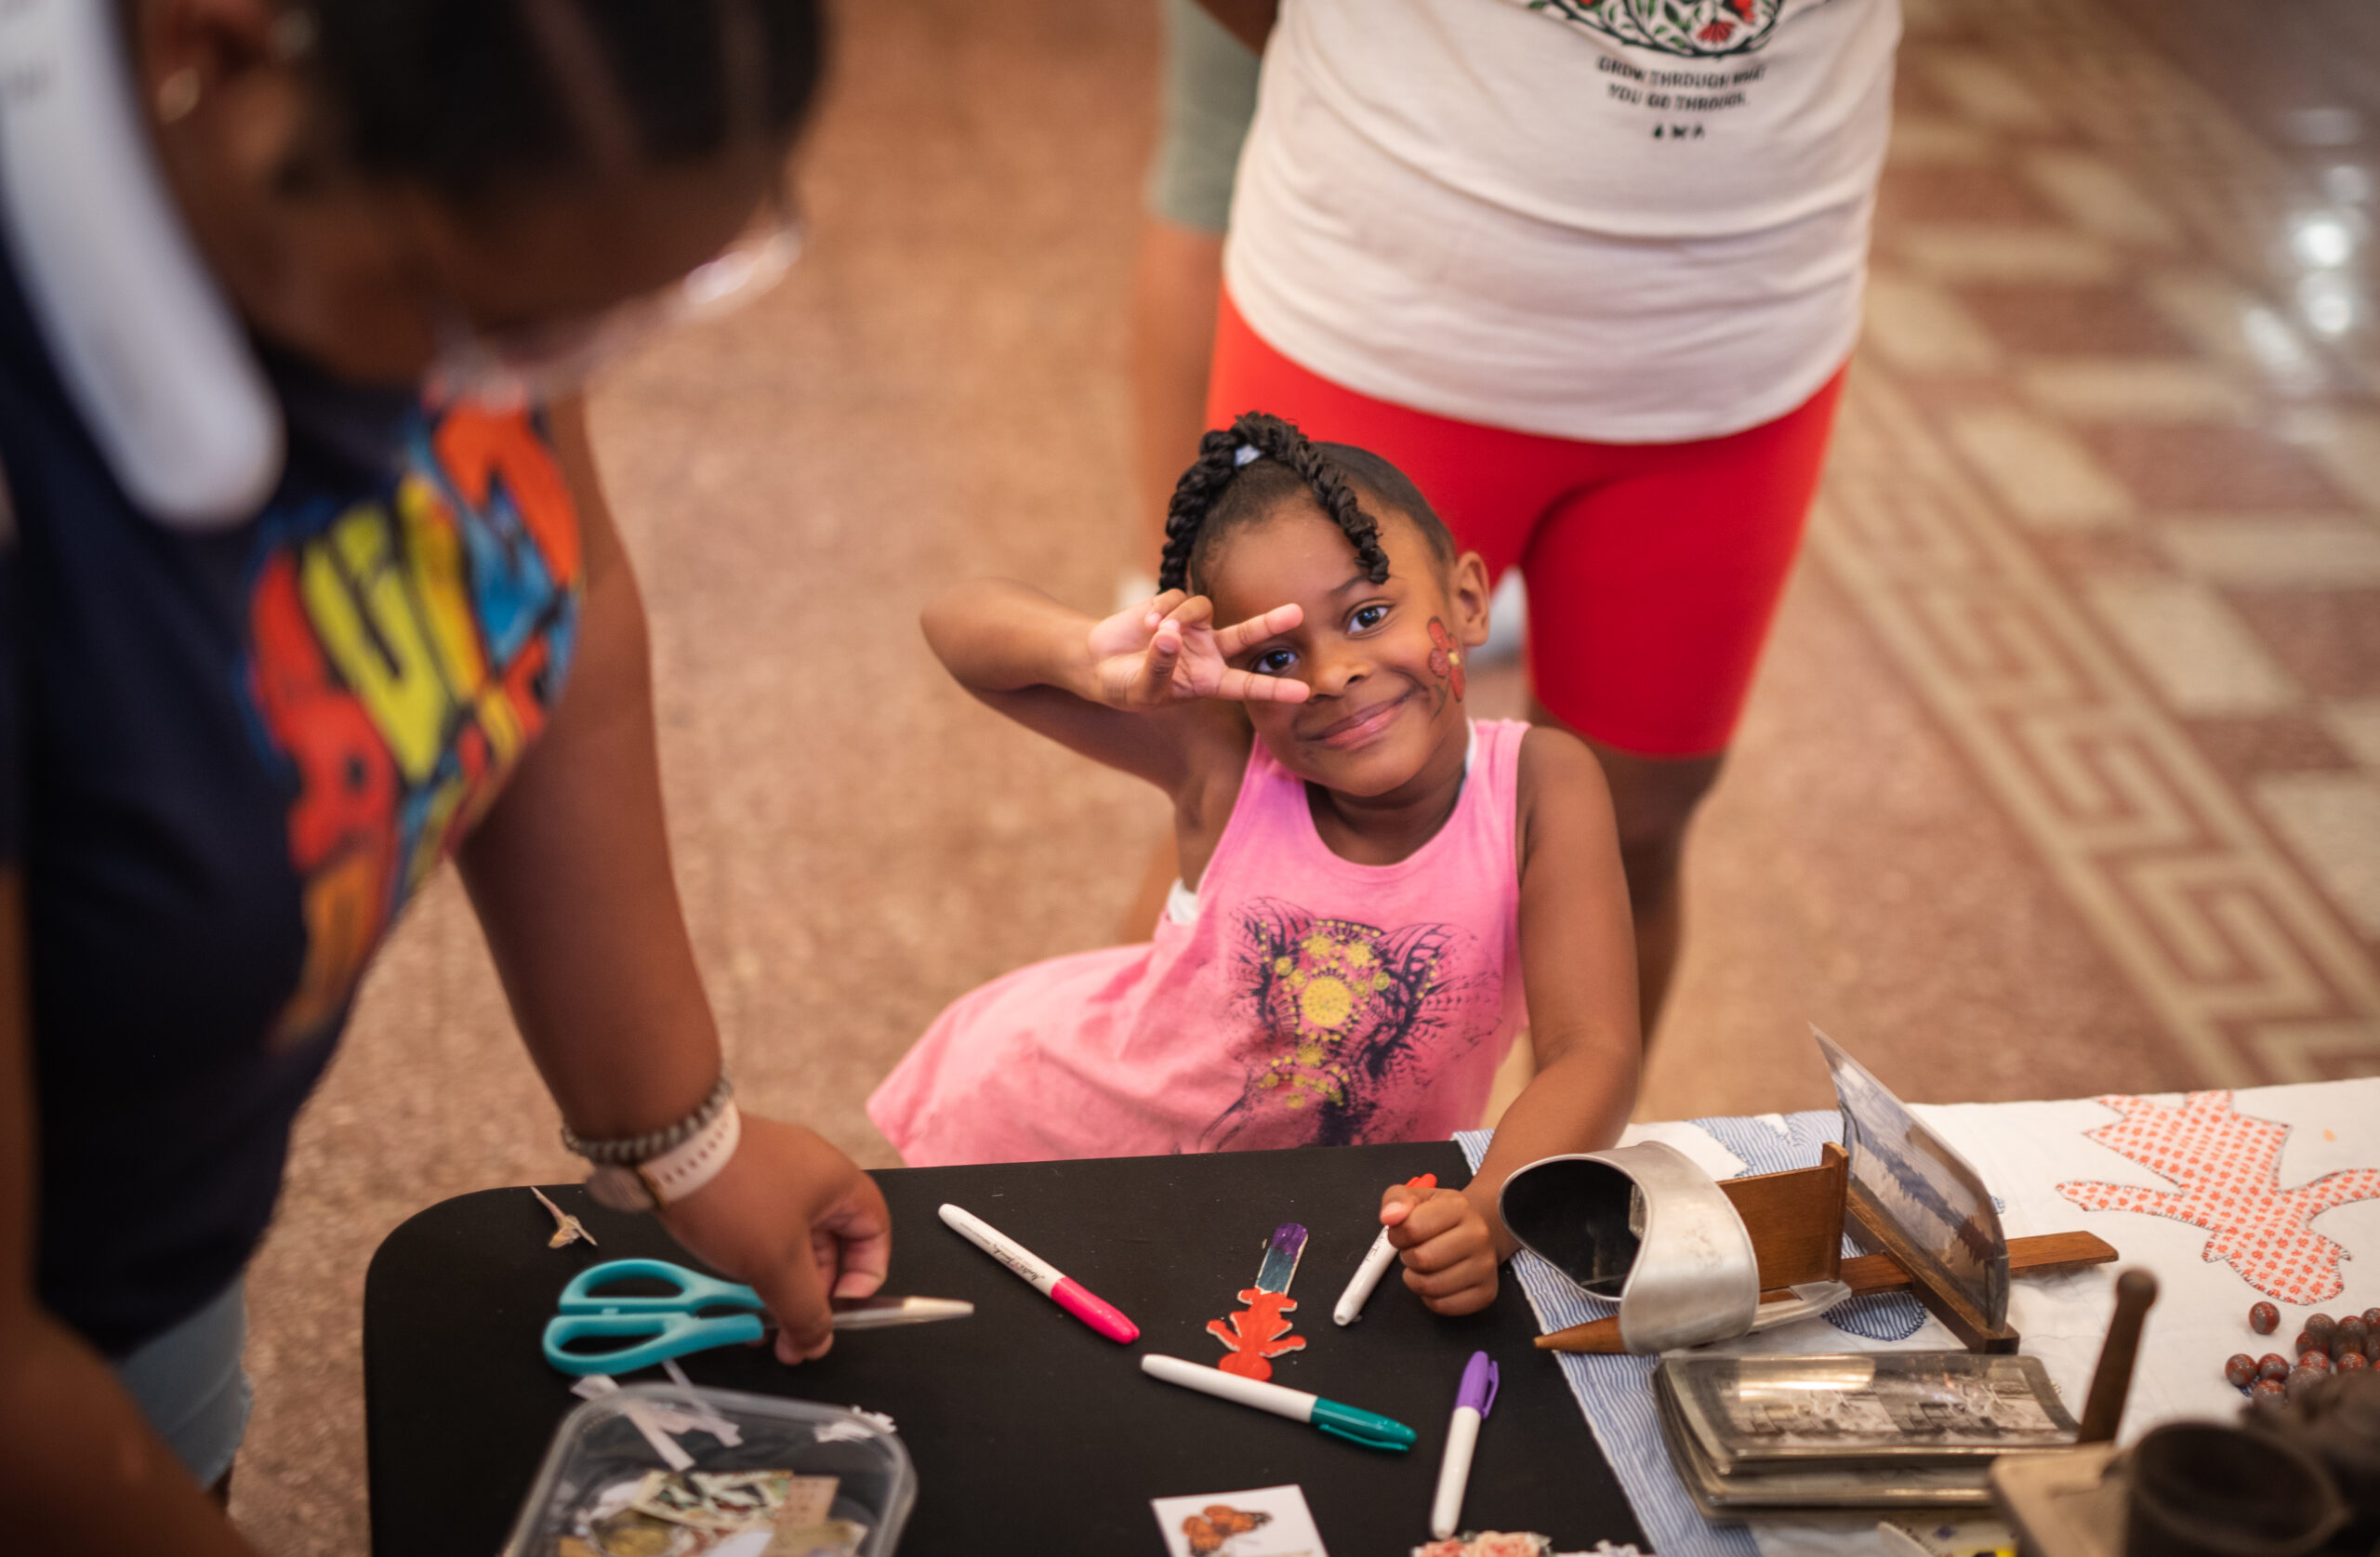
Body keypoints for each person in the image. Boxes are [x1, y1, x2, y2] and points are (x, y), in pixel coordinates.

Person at [0, 3, 888, 1550]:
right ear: (220, 42)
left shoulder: (492, 162)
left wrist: (687, 1139)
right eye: (476, 314)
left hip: (146, 1276)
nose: (515, 382)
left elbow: (549, 590)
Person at [1188, 0, 1898, 1040]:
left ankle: (1559, 1195)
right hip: (1372, 305)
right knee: (1263, 811)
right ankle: (1164, 1189)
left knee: (1626, 839)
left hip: (1737, 341)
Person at [869, 413, 1641, 1315]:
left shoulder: (1540, 788)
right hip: (1056, 1149)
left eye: (1365, 614)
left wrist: (1487, 1211)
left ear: (1467, 602)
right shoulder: (1229, 755)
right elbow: (953, 623)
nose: (1331, 673)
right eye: (1278, 654)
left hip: (1289, 1221)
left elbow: (1592, 1048)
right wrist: (1092, 659)